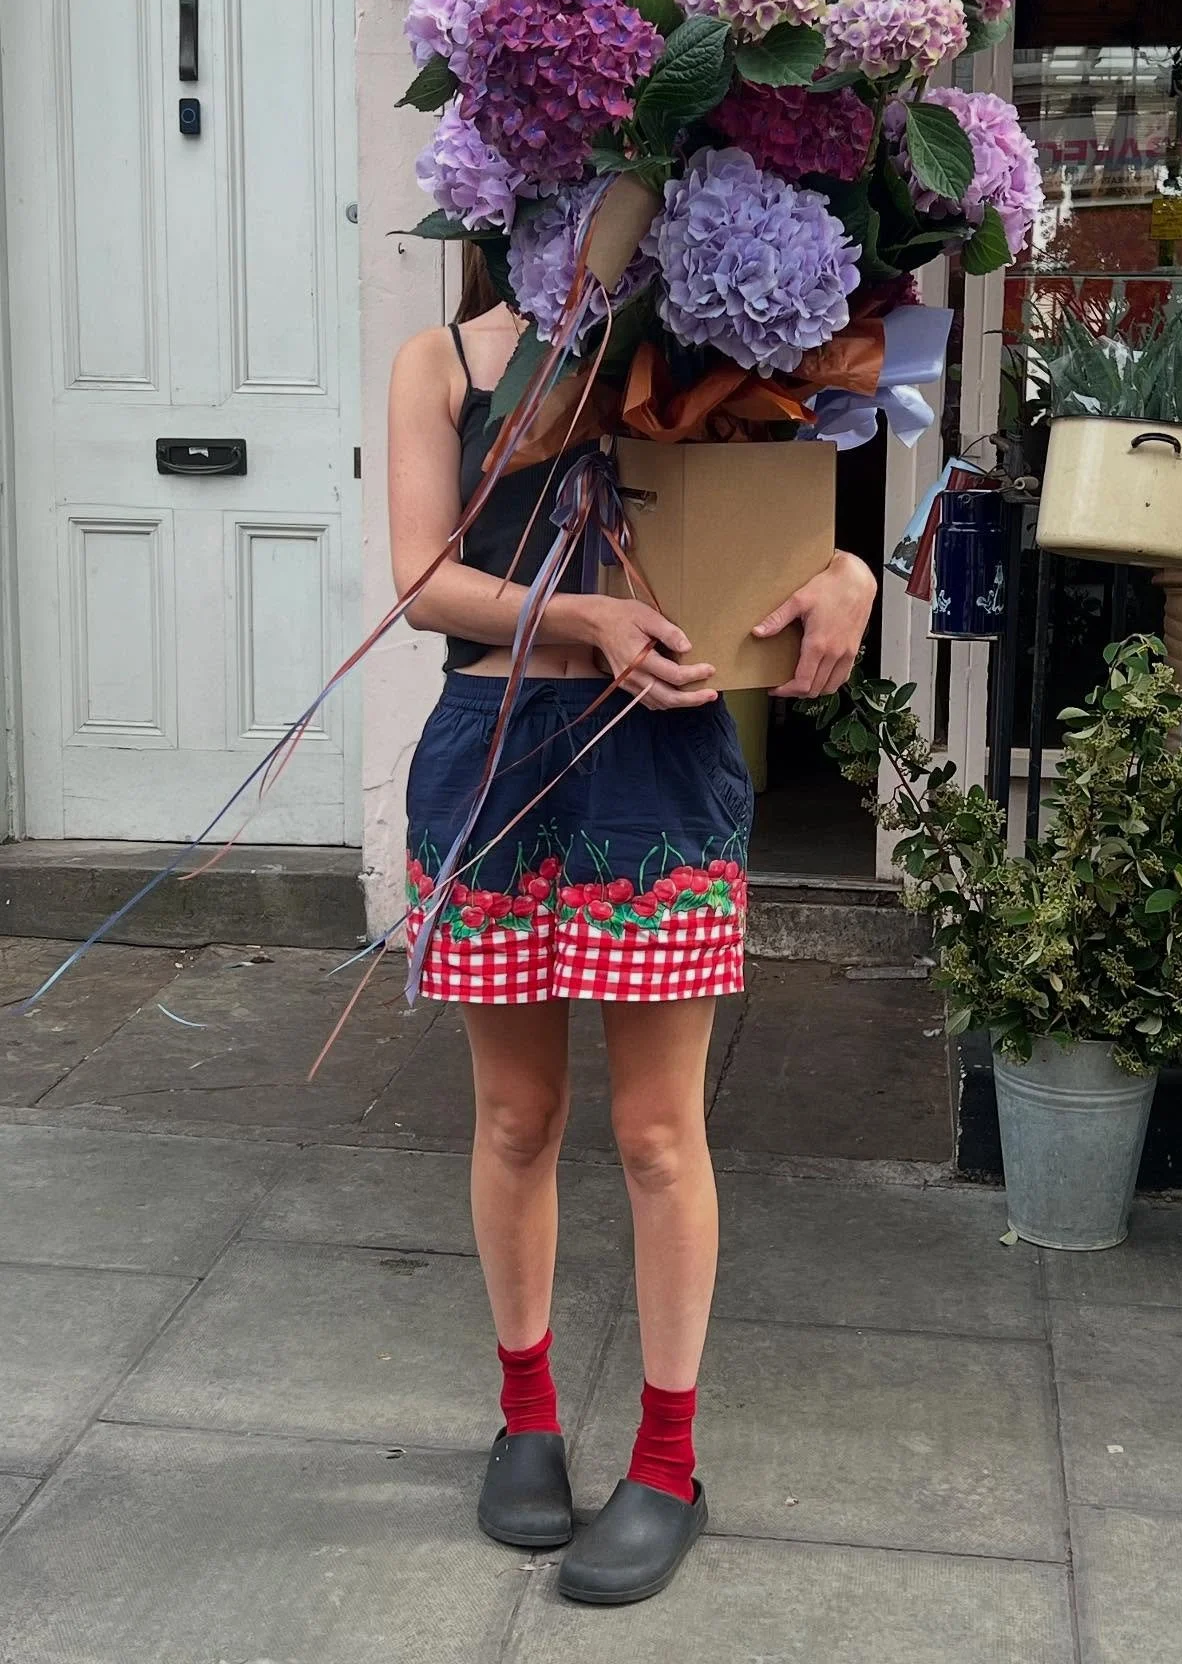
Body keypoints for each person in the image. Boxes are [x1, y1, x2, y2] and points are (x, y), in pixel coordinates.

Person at [387, 259, 878, 1605]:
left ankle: (669, 1463)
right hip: (492, 752)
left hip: (656, 758)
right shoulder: (446, 361)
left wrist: (851, 576)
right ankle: (527, 1418)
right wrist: (588, 614)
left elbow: (790, 517)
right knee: (515, 1119)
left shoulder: (704, 348)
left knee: (660, 1130)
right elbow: (424, 579)